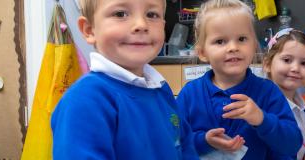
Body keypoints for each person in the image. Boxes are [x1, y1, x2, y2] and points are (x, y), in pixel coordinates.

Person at [51, 0, 198, 159]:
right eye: (120, 14)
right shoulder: (84, 100)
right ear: (89, 30)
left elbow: (185, 147)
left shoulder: (162, 90)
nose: (141, 24)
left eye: (151, 15)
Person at [176, 0, 302, 159]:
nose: (233, 47)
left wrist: (262, 120)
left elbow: (292, 144)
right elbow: (173, 143)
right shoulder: (189, 95)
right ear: (202, 52)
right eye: (220, 41)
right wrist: (204, 140)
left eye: (242, 39)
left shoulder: (268, 92)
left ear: (254, 45)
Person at [263, 28, 305, 160]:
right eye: (287, 60)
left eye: (304, 63)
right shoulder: (264, 109)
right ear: (267, 64)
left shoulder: (303, 108)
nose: (295, 68)